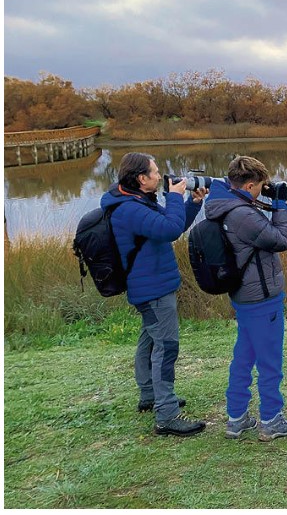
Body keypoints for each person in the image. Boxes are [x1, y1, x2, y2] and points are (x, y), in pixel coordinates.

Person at [100, 152, 208, 437]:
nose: (161, 176)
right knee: (166, 346)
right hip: (152, 289)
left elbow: (172, 226)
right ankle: (167, 414)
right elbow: (170, 229)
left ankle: (150, 395)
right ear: (141, 178)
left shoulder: (137, 201)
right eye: (155, 172)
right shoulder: (129, 209)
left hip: (153, 285)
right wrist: (174, 195)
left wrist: (193, 202)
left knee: (150, 340)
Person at [204, 155, 287, 441]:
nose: (262, 190)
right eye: (260, 186)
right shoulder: (242, 214)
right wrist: (282, 205)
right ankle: (271, 420)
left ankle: (236, 419)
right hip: (261, 298)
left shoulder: (223, 203)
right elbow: (280, 240)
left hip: (244, 296)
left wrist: (278, 200)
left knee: (244, 357)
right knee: (269, 360)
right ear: (249, 185)